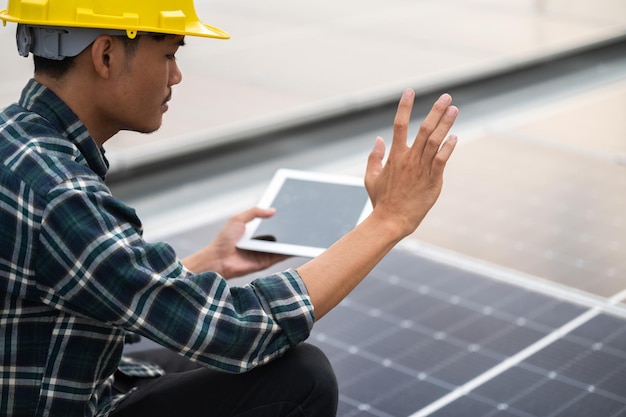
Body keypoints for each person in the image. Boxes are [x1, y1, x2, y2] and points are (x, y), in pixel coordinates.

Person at [0, 1, 458, 416]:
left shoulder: (19, 142)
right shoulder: (61, 194)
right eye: (169, 53)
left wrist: (208, 264)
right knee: (300, 377)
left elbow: (89, 285)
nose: (176, 76)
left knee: (180, 352)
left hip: (60, 378)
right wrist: (389, 220)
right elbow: (236, 330)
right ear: (105, 55)